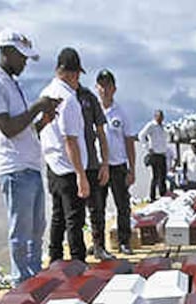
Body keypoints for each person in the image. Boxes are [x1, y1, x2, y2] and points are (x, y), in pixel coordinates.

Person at [0, 29, 61, 282]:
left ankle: (35, 276)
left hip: (31, 166)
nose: (25, 62)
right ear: (6, 51)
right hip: (14, 168)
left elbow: (24, 130)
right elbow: (8, 128)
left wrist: (43, 121)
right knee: (21, 232)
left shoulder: (12, 83)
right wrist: (37, 105)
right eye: (22, 57)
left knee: (37, 230)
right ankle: (21, 282)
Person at [40, 47, 91, 262]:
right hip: (70, 168)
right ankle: (78, 263)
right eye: (77, 74)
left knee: (58, 216)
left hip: (52, 166)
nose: (78, 80)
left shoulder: (45, 94)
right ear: (72, 73)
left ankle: (55, 260)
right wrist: (81, 175)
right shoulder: (68, 99)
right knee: (75, 220)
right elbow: (71, 140)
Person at [96, 69, 136, 254]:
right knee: (98, 207)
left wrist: (132, 169)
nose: (105, 89)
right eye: (101, 85)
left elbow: (129, 141)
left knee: (122, 205)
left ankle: (124, 242)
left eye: (108, 86)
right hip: (98, 166)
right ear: (97, 88)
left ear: (114, 88)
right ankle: (99, 245)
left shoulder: (121, 112)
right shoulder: (92, 111)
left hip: (118, 165)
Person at [76, 81, 114, 259]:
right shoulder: (58, 95)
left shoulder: (88, 98)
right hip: (69, 166)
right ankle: (77, 255)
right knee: (73, 214)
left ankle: (99, 246)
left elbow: (101, 132)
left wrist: (105, 163)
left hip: (91, 163)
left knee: (97, 209)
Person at [138, 110, 170, 200]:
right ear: (155, 116)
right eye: (159, 116)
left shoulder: (163, 127)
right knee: (155, 176)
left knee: (163, 176)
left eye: (162, 117)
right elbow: (141, 135)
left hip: (162, 154)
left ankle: (163, 194)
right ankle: (152, 196)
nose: (160, 118)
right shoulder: (151, 125)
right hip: (155, 154)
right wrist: (148, 147)